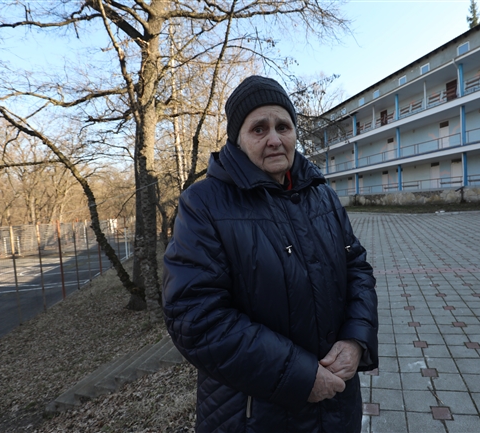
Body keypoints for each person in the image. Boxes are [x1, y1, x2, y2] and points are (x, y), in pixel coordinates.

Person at [162, 75, 378, 432]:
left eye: (283, 126)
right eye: (259, 128)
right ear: (238, 139)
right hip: (254, 414)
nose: (275, 139)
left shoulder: (320, 194)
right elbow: (195, 316)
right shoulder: (204, 204)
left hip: (337, 407)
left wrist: (356, 339)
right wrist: (300, 376)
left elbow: (357, 267)